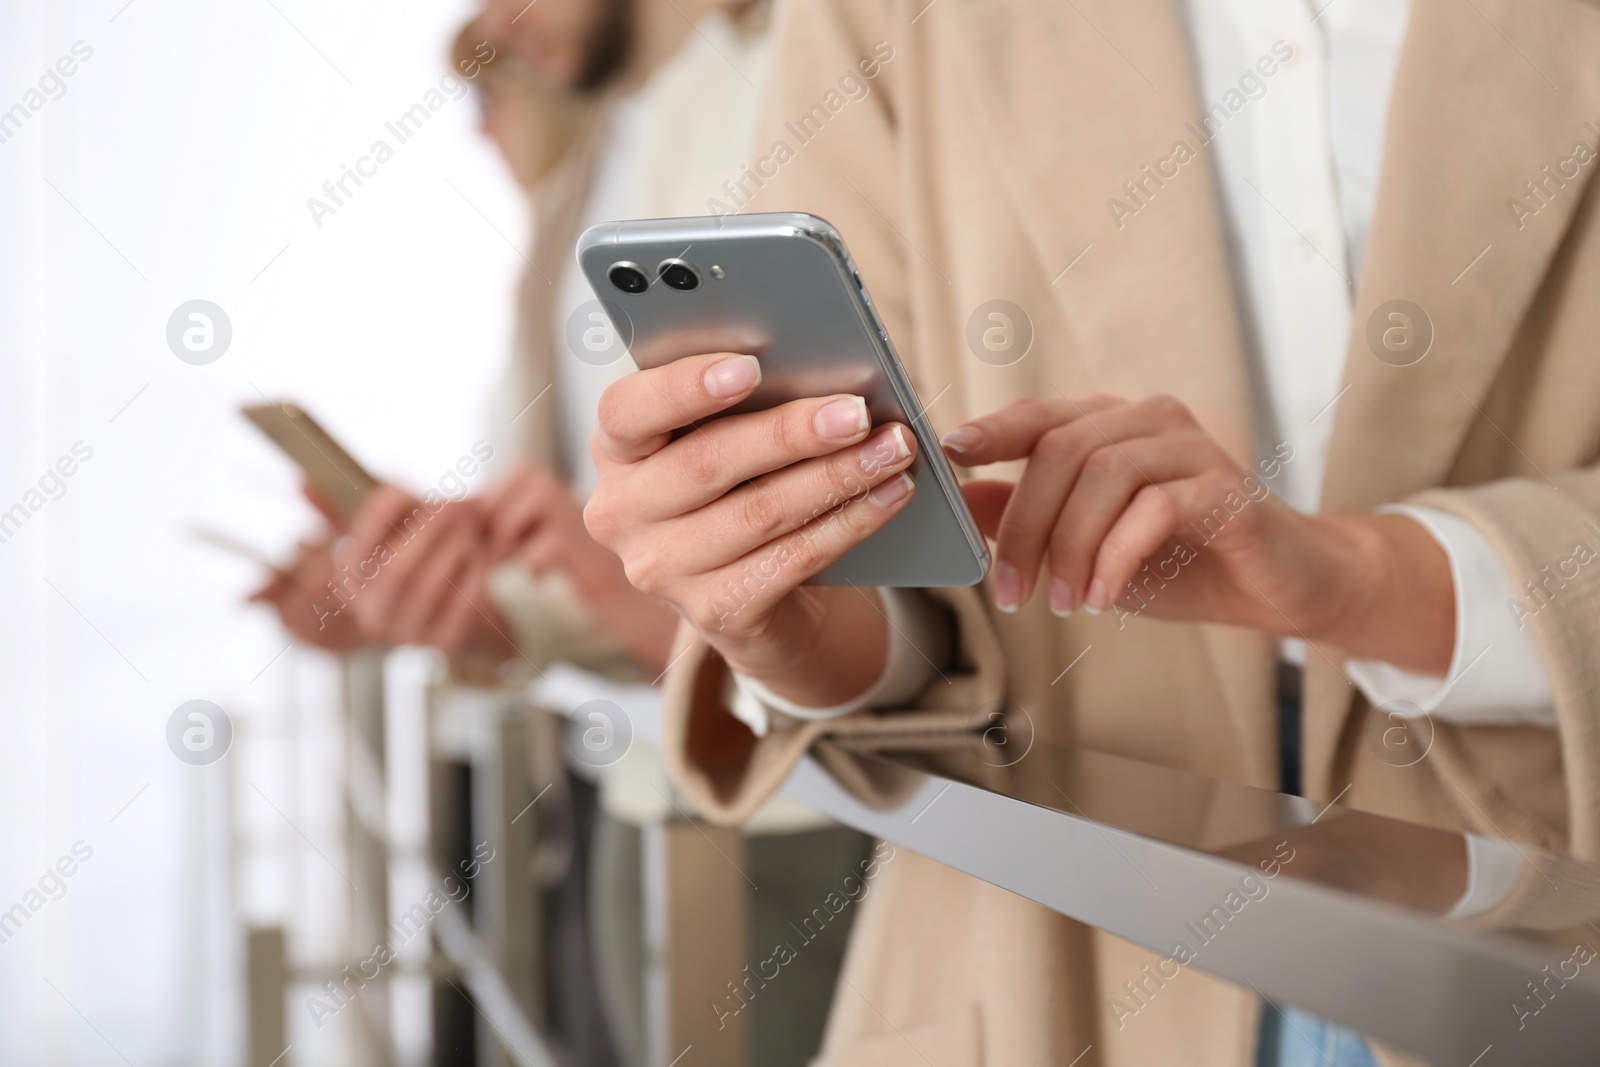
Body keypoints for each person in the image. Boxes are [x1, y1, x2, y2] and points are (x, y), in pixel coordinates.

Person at [581, 0, 1600, 1064]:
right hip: (1049, 947)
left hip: (1523, 912)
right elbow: (899, 614)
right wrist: (782, 618)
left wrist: (1364, 578)